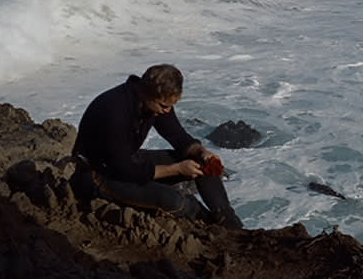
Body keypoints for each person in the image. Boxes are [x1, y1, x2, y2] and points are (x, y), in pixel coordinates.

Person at [69, 63, 243, 229]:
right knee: (175, 201)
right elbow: (122, 169)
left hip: (127, 161)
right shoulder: (115, 110)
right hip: (98, 174)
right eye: (164, 106)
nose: (167, 111)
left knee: (199, 161)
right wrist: (177, 169)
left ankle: (228, 219)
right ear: (148, 94)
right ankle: (210, 225)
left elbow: (178, 136)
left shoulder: (152, 101)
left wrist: (202, 151)